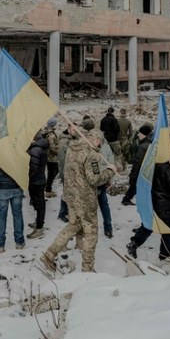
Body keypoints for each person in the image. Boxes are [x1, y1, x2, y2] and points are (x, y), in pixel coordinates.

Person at [40, 127, 116, 273]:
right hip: (85, 198)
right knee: (91, 231)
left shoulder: (72, 149)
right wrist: (109, 171)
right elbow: (94, 179)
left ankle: (49, 255)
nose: (100, 145)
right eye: (99, 142)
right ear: (96, 139)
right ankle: (88, 268)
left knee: (73, 226)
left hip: (70, 195)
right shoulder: (90, 154)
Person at [126, 154, 170, 260]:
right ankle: (165, 257)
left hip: (151, 202)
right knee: (168, 233)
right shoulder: (165, 167)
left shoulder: (149, 164)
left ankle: (134, 243)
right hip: (165, 206)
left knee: (149, 225)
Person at [121, 123, 154, 206]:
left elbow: (137, 162)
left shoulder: (142, 146)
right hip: (147, 170)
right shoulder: (151, 144)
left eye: (140, 133)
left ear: (144, 134)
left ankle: (126, 199)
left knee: (134, 184)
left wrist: (132, 175)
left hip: (140, 170)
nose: (138, 134)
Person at [26, 130, 49, 239]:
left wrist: (28, 178)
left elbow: (33, 168)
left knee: (39, 203)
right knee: (39, 203)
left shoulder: (35, 150)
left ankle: (39, 227)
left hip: (36, 180)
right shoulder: (40, 147)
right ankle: (39, 222)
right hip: (40, 179)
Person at [43, 117, 60, 199]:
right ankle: (48, 189)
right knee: (52, 173)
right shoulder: (51, 135)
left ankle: (48, 187)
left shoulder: (47, 133)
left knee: (52, 172)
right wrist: (59, 152)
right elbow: (53, 148)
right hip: (52, 157)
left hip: (49, 157)